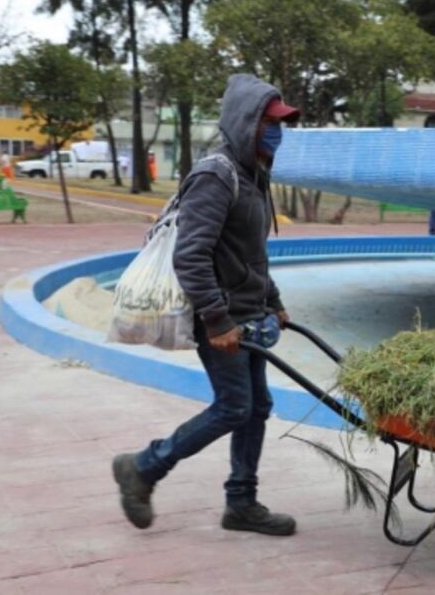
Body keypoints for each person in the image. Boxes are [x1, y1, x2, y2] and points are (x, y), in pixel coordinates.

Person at [112, 74, 300, 537]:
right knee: (235, 406)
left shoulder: (254, 173)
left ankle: (241, 503)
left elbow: (249, 253)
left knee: (256, 406)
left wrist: (272, 300)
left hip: (247, 314)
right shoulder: (217, 176)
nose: (277, 132)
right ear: (245, 122)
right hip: (222, 318)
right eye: (269, 123)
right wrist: (216, 320)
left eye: (281, 124)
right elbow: (191, 256)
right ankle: (143, 466)